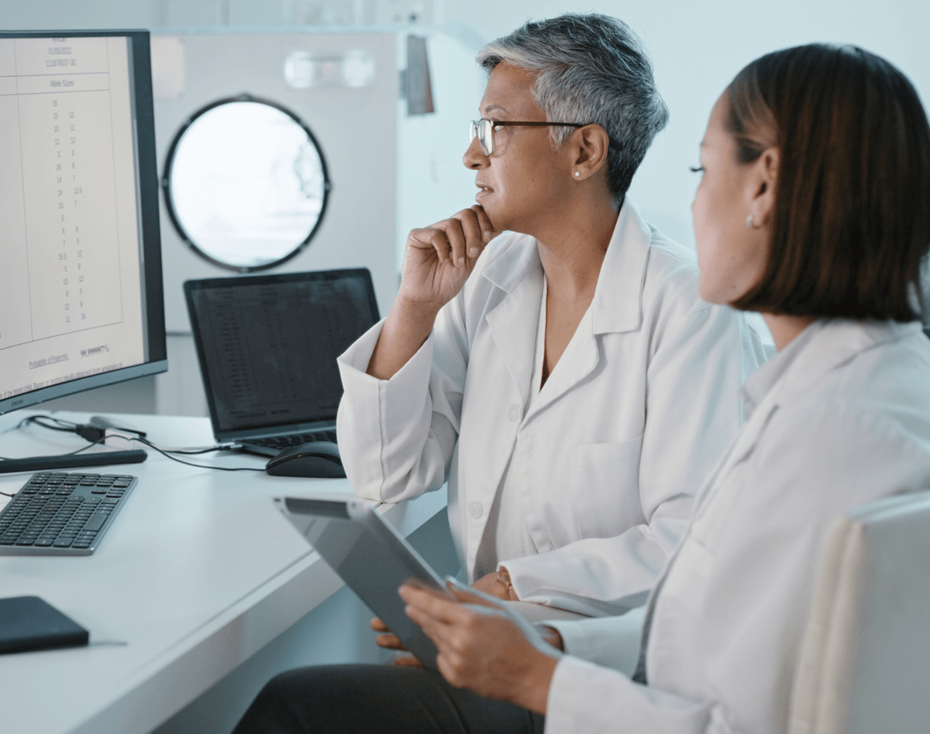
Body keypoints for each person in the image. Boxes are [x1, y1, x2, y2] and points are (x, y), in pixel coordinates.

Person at [234, 42, 930, 734]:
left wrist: (533, 662)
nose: (473, 156)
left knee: (296, 707)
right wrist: (540, 645)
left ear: (763, 187)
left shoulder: (831, 431)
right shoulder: (834, 397)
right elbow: (696, 628)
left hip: (604, 697)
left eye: (703, 170)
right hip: (584, 662)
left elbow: (729, 705)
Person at [336, 13, 765, 619]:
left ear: (584, 150)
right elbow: (385, 473)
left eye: (494, 128)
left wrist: (504, 594)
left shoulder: (690, 310)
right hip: (494, 634)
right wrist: (415, 308)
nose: (471, 155)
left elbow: (692, 540)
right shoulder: (489, 276)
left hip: (610, 659)